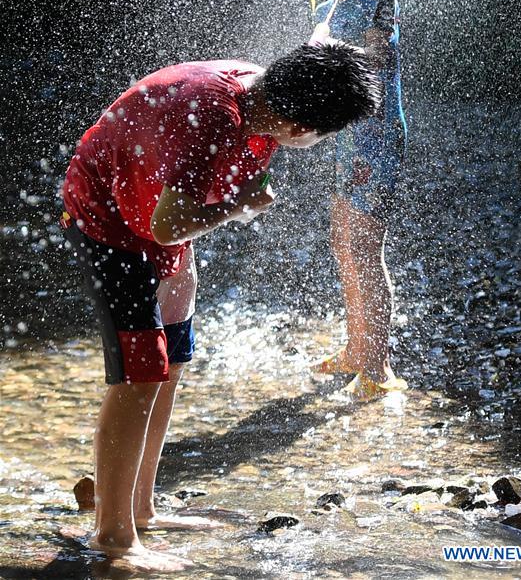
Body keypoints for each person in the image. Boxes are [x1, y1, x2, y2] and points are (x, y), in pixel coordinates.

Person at [61, 43, 381, 573]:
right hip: (108, 220)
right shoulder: (212, 121)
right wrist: (240, 206)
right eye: (325, 133)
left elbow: (173, 217)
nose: (320, 142)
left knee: (172, 358)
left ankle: (142, 509)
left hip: (149, 211)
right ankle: (114, 537)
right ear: (301, 128)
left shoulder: (262, 95)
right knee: (139, 375)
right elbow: (169, 224)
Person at [310, 0, 408, 401]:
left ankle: (379, 367)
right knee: (342, 241)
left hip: (378, 140)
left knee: (367, 249)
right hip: (343, 140)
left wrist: (328, 48)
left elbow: (376, 56)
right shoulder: (322, 9)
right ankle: (356, 347)